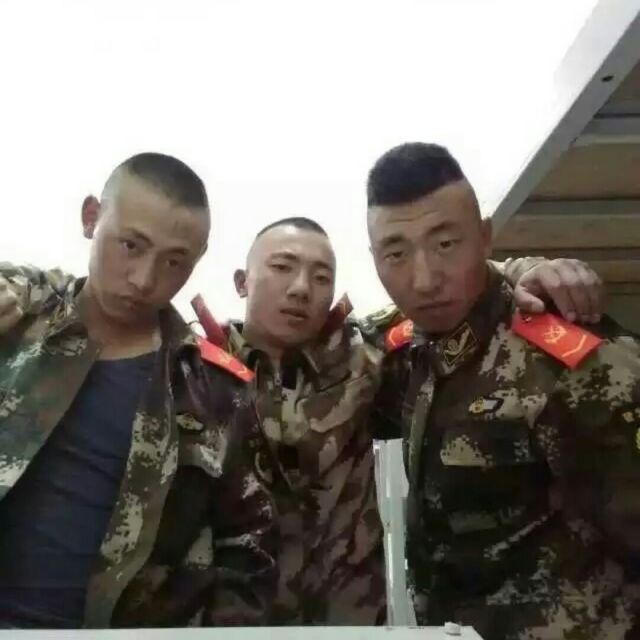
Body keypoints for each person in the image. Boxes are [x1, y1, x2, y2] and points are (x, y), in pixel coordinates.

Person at [192, 214, 604, 626]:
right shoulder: (195, 373)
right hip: (230, 624)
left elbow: (459, 292)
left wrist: (524, 270)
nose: (301, 289)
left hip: (347, 623)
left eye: (321, 277)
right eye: (282, 267)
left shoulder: (363, 357)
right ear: (242, 281)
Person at [365, 142, 640, 639]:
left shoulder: (570, 363)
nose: (424, 280)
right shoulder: (405, 352)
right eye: (396, 254)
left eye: (446, 244)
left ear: (485, 237)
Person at [0, 152, 275, 628]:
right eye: (131, 245)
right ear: (91, 217)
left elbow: (249, 549)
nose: (145, 279)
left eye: (174, 262)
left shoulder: (213, 393)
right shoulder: (15, 327)